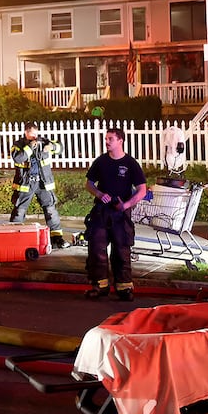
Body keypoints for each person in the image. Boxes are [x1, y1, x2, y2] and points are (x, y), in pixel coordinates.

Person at [83, 127, 148, 300]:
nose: (107, 142)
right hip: (101, 213)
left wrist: (126, 205)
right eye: (106, 139)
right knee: (97, 248)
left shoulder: (130, 164)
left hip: (120, 214)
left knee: (121, 250)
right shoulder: (101, 162)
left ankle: (124, 288)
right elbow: (89, 183)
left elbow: (142, 190)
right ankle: (100, 285)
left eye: (110, 139)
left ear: (120, 141)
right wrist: (99, 194)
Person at [9, 122, 67, 248]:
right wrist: (30, 147)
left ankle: (57, 238)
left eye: (36, 135)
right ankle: (13, 238)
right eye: (31, 136)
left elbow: (60, 148)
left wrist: (51, 147)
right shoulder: (18, 145)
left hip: (43, 182)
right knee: (19, 211)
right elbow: (18, 158)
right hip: (26, 184)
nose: (35, 138)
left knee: (50, 210)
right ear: (26, 133)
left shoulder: (43, 141)